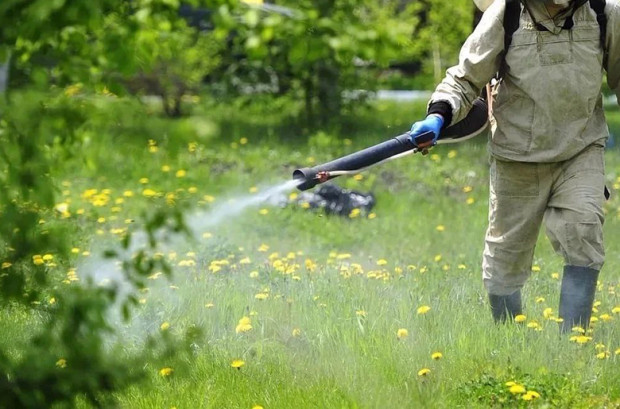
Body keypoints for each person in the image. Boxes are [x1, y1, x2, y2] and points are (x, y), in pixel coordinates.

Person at [409, 0, 620, 332]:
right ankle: (510, 343)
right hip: (517, 157)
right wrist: (438, 115)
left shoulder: (605, 13)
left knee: (584, 229)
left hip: (580, 148)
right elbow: (465, 79)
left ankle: (572, 344)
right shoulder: (505, 14)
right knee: (504, 262)